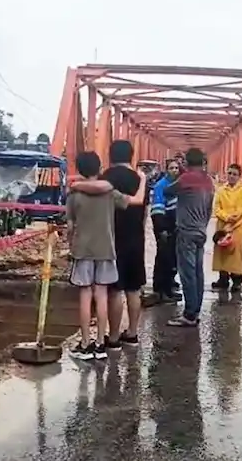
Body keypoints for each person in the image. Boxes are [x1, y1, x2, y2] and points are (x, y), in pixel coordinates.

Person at [65, 151, 147, 361]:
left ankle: (85, 344)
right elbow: (137, 200)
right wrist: (144, 179)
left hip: (82, 250)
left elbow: (70, 226)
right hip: (106, 250)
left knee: (85, 295)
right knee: (102, 294)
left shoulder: (74, 195)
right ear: (99, 167)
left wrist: (70, 245)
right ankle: (101, 344)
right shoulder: (109, 193)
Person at [100, 140, 147, 349]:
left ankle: (114, 337)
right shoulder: (139, 179)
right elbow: (144, 210)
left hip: (112, 237)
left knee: (115, 289)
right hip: (135, 237)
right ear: (131, 155)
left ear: (110, 156)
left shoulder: (105, 179)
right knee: (134, 288)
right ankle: (133, 333)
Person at [165, 148, 215, 327]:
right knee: (198, 273)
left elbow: (168, 192)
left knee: (187, 273)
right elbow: (209, 207)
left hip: (186, 231)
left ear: (186, 162)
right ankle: (195, 310)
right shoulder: (208, 180)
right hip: (201, 231)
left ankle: (189, 314)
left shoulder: (185, 179)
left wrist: (176, 174)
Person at [211, 163, 242, 292]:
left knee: (234, 254)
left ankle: (237, 280)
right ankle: (223, 279)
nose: (232, 176)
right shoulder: (221, 190)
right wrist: (226, 217)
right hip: (223, 225)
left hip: (237, 227)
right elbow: (216, 208)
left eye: (235, 174)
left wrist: (231, 220)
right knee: (221, 251)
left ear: (239, 176)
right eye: (230, 173)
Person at [151, 159, 182, 302]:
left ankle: (168, 289)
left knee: (172, 260)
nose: (174, 170)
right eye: (171, 168)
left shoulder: (177, 185)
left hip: (175, 227)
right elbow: (157, 209)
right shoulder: (160, 186)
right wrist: (161, 229)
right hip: (164, 227)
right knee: (164, 259)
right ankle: (160, 290)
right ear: (166, 169)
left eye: (176, 168)